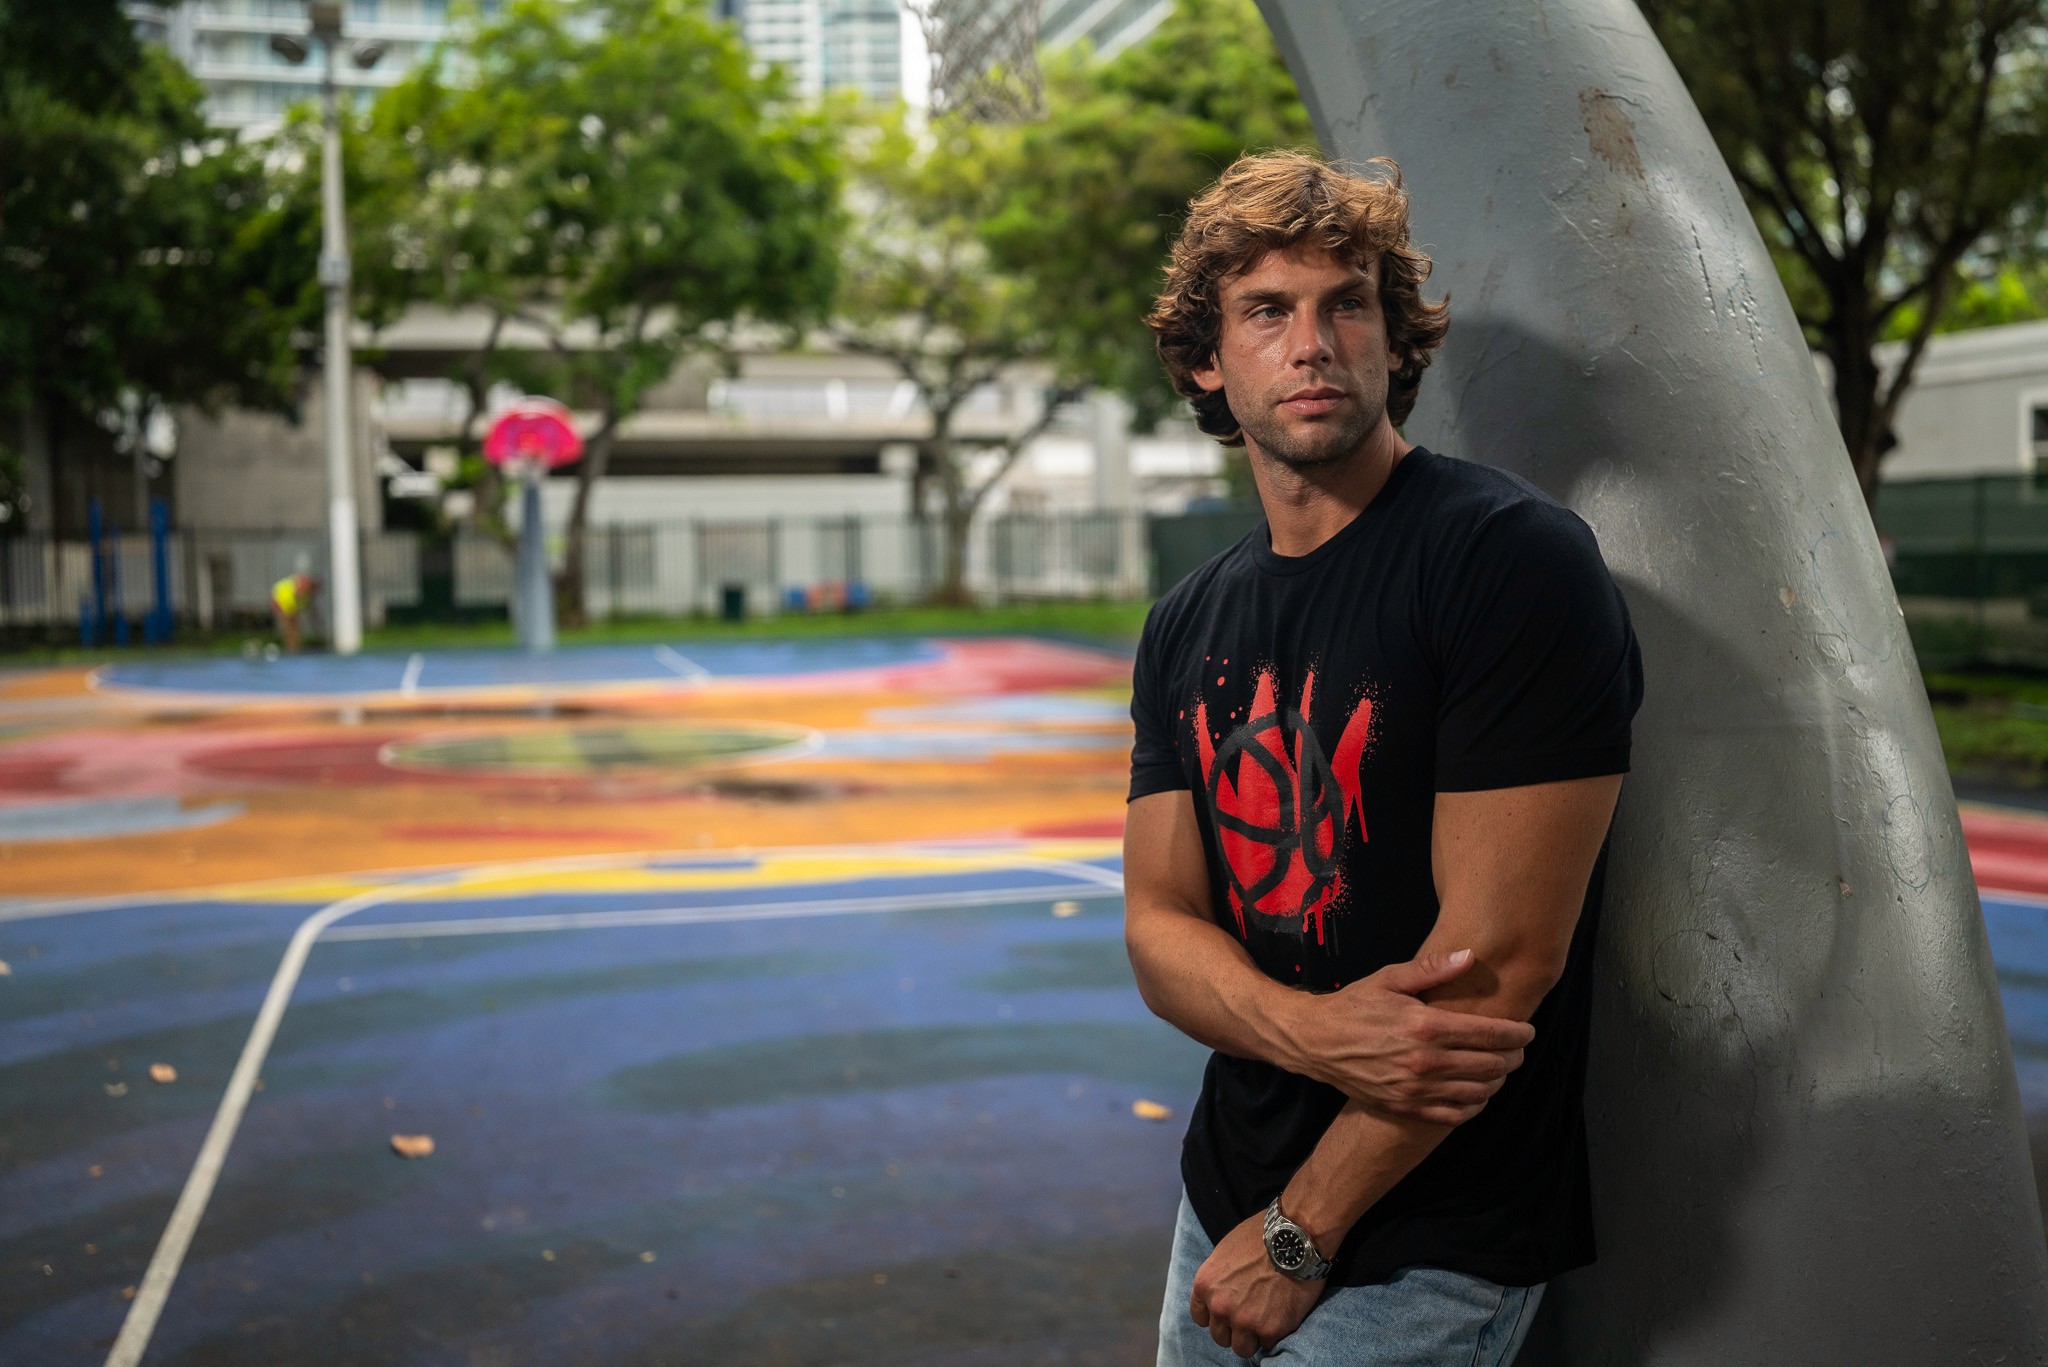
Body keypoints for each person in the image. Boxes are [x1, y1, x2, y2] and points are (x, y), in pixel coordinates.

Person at [1125, 150, 1643, 1365]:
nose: (1311, 342)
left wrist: (1300, 1231)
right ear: (1209, 360)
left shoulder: (1509, 559)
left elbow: (1494, 970)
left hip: (1421, 1241)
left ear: (1392, 340)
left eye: (1344, 302)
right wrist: (1311, 1035)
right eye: (1265, 309)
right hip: (1221, 1198)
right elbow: (1158, 925)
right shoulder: (1187, 619)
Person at [270, 570, 318, 653]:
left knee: (294, 629)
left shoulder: (305, 594)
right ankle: (291, 648)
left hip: (290, 608)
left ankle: (294, 648)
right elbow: (277, 601)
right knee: (289, 629)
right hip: (284, 607)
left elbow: (304, 606)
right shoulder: (289, 589)